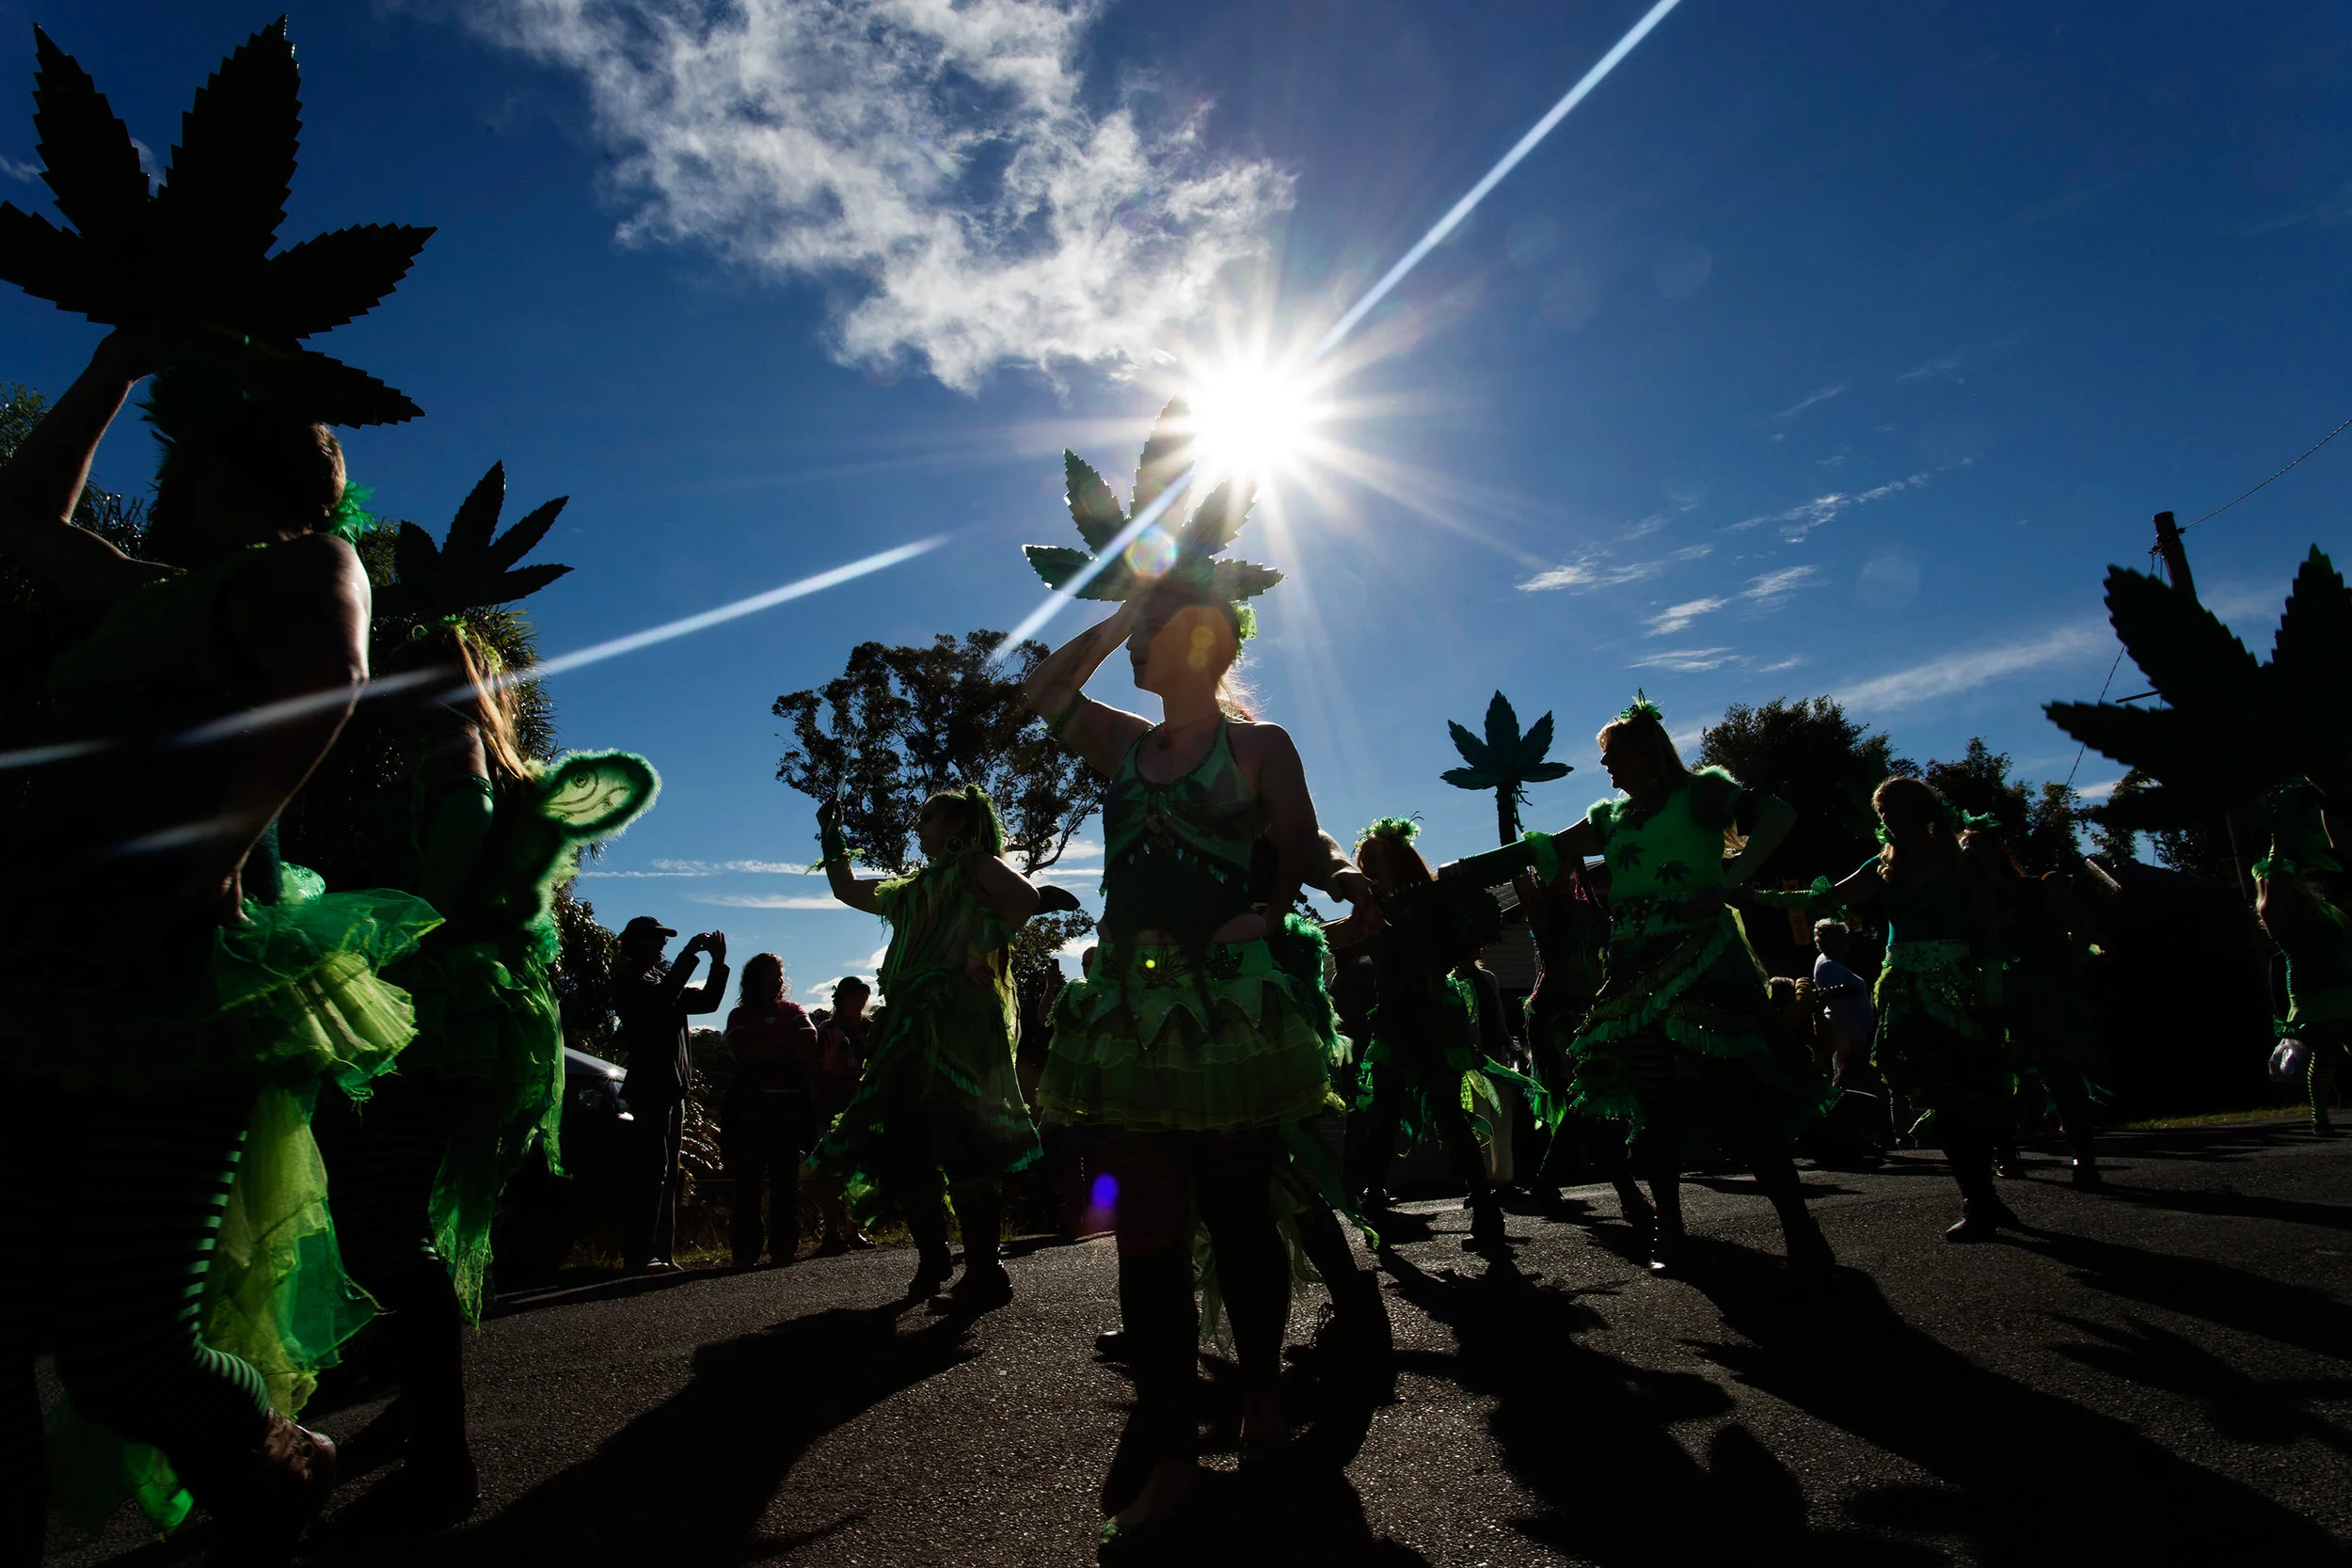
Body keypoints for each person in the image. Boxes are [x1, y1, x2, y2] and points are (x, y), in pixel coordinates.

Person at [0, 328, 438, 1560]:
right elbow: (21, 512)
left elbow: (328, 682)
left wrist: (196, 876)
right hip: (46, 973)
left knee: (121, 1345)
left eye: (184, 460)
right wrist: (108, 366)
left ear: (213, 473)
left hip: (177, 984)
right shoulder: (144, 595)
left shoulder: (306, 565)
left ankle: (277, 1457)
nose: (171, 480)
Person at [1026, 576, 1355, 1552]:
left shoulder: (1259, 745)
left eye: (1153, 631)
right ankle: (1172, 1453)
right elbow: (1042, 691)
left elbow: (1297, 842)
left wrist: (1317, 883)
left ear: (1202, 638)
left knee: (1241, 1214)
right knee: (1148, 1230)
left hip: (1229, 1009)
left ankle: (1260, 1389)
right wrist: (1123, 613)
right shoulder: (1124, 744)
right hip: (1132, 1012)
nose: (1135, 647)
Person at [1535, 695, 1835, 1281]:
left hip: (1701, 957)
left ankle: (1800, 1227)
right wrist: (1462, 873)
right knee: (1653, 1102)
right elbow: (1550, 847)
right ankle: (1669, 1229)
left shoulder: (1698, 793)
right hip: (1632, 964)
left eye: (1612, 754)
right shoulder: (1609, 817)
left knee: (1735, 1093)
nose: (1606, 767)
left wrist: (1730, 881)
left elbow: (1777, 813)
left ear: (1645, 754)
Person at [811, 786, 1045, 1307]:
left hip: (956, 1021)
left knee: (959, 1135)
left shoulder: (977, 866)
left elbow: (1025, 898)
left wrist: (979, 949)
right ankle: (934, 1256)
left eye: (928, 818)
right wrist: (831, 834)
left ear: (958, 824)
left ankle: (986, 1270)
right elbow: (848, 890)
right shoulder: (913, 886)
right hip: (905, 1029)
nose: (919, 827)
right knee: (905, 1139)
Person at [1761, 777, 2014, 1240]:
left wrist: (1993, 998)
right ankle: (1978, 1199)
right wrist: (1752, 896)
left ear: (1925, 811)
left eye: (1898, 810)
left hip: (1957, 986)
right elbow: (1830, 896)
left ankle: (1984, 1194)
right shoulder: (1882, 865)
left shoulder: (1961, 860)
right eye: (1883, 814)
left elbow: (1989, 929)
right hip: (1905, 992)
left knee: (1970, 1091)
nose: (1891, 821)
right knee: (1942, 1091)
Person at [1344, 819, 1507, 1245]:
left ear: (1396, 859)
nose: (1368, 868)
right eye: (1364, 862)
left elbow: (1471, 928)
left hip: (1432, 1018)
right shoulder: (1373, 905)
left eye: (1374, 859)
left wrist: (1441, 967)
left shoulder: (1431, 900)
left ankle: (1485, 1208)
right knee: (1383, 1113)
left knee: (1447, 1114)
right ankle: (1376, 1196)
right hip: (1395, 1019)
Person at [614, 919, 730, 1273]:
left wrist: (717, 963)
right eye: (655, 941)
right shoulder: (631, 983)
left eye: (663, 942)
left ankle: (661, 1252)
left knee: (666, 1174)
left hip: (672, 1089)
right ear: (634, 944)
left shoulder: (661, 984)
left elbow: (708, 1003)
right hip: (651, 1088)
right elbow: (660, 998)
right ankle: (640, 1253)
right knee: (650, 1172)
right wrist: (689, 955)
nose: (660, 948)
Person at [723, 956, 820, 1269]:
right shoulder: (739, 1014)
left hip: (788, 1107)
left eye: (779, 974)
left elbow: (810, 1037)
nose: (777, 980)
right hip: (752, 1108)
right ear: (754, 979)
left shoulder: (792, 1011)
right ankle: (746, 1250)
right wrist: (785, 1048)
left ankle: (783, 1248)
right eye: (770, 975)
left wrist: (764, 1047)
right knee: (749, 1180)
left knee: (785, 1181)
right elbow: (743, 1053)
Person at [1812, 920, 1894, 1148]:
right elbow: (1845, 1010)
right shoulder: (1830, 968)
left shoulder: (1826, 964)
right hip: (1851, 1036)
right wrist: (1858, 1038)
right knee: (1855, 1086)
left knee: (1852, 1084)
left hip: (1851, 1034)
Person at [809, 978, 876, 1252]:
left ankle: (853, 1229)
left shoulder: (871, 1029)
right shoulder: (828, 1031)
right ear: (841, 999)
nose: (860, 1000)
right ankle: (831, 1232)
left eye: (863, 994)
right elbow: (815, 1070)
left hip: (864, 1105)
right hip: (832, 1103)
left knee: (858, 1170)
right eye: (854, 995)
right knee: (830, 1170)